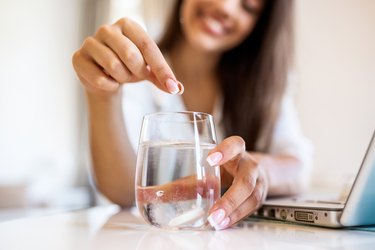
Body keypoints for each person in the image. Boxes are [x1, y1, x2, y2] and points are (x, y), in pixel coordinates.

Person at [72, 0, 312, 231]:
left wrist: (260, 171)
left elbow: (299, 168)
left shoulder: (264, 83)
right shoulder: (131, 61)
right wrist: (101, 94)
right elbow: (123, 192)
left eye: (249, 5)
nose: (225, 6)